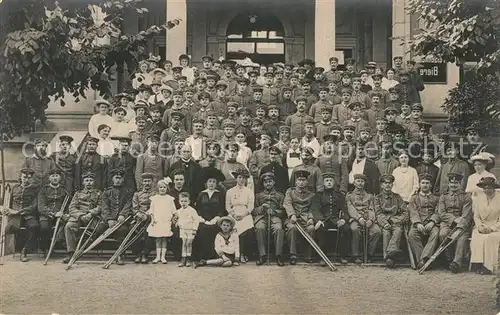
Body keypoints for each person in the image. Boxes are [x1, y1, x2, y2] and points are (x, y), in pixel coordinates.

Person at [94, 169, 133, 265]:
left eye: (120, 178)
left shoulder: (127, 192)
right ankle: (89, 250)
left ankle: (119, 255)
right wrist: (109, 219)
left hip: (121, 220)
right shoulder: (107, 192)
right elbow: (104, 207)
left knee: (122, 231)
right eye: (116, 178)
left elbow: (128, 205)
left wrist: (122, 215)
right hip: (108, 220)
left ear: (123, 179)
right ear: (112, 179)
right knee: (98, 230)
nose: (118, 180)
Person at [437, 173, 473, 273]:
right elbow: (441, 213)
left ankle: (457, 263)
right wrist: (453, 219)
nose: (453, 185)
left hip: (463, 224)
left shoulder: (466, 197)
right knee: (443, 234)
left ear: (460, 184)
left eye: (456, 183)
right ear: (448, 184)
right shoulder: (443, 197)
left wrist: (460, 227)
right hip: (447, 223)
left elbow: (466, 215)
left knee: (461, 238)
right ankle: (449, 259)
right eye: (451, 183)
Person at [62, 172, 102, 263]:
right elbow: (72, 208)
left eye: (91, 180)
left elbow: (100, 206)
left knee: (95, 230)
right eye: (86, 180)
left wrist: (91, 213)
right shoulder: (77, 193)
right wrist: (81, 216)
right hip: (79, 216)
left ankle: (81, 251)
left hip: (92, 217)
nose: (88, 183)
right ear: (83, 182)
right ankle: (71, 252)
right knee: (68, 226)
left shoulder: (99, 193)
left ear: (94, 182)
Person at [2, 168, 39, 262]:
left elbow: (34, 206)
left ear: (31, 179)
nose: (26, 180)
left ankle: (24, 250)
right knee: (10, 228)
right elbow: (8, 203)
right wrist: (6, 209)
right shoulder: (15, 188)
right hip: (14, 215)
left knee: (34, 226)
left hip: (28, 215)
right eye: (24, 177)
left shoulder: (34, 190)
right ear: (20, 177)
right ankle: (16, 248)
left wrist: (20, 211)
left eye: (29, 178)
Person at [283, 169, 319, 264]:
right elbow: (287, 203)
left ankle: (308, 255)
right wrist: (292, 215)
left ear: (307, 181)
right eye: (299, 180)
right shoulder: (290, 192)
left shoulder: (311, 195)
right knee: (292, 228)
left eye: (303, 180)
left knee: (311, 228)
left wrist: (311, 218)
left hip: (305, 218)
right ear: (296, 181)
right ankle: (293, 254)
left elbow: (313, 208)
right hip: (292, 218)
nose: (301, 182)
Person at [314, 172, 349, 265]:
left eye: (330, 180)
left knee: (345, 229)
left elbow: (344, 208)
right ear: (323, 183)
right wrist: (319, 220)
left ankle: (342, 256)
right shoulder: (319, 195)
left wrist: (343, 219)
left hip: (336, 219)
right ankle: (322, 257)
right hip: (324, 219)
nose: (329, 182)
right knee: (321, 229)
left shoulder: (339, 195)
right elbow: (315, 209)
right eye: (326, 181)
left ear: (334, 182)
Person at [346, 173, 381, 264]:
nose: (360, 183)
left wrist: (370, 219)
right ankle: (355, 255)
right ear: (354, 183)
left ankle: (369, 254)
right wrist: (359, 218)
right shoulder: (349, 195)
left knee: (376, 231)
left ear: (364, 183)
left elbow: (372, 208)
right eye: (358, 181)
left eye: (362, 181)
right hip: (355, 219)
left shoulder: (370, 196)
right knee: (354, 229)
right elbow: (351, 208)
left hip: (368, 219)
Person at [408, 173, 440, 269]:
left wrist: (432, 222)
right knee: (411, 235)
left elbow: (438, 211)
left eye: (427, 183)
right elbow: (412, 211)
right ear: (420, 184)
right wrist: (417, 223)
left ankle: (425, 258)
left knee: (435, 233)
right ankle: (422, 260)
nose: (425, 185)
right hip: (418, 223)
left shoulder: (436, 198)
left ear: (431, 185)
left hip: (431, 223)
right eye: (423, 183)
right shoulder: (414, 198)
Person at [193, 167, 227, 261]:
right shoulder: (201, 194)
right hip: (203, 219)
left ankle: (215, 255)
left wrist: (216, 218)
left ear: (216, 184)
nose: (211, 183)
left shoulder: (219, 194)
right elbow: (198, 208)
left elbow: (222, 209)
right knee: (202, 229)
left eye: (213, 182)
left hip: (216, 219)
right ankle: (202, 256)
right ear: (206, 183)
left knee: (215, 229)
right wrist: (202, 219)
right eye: (209, 181)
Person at [252, 172, 286, 266]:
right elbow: (253, 210)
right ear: (263, 184)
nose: (268, 183)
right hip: (261, 217)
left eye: (270, 181)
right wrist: (261, 208)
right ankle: (262, 255)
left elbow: (283, 211)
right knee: (259, 228)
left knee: (279, 229)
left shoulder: (280, 196)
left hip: (274, 217)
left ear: (274, 182)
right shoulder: (258, 196)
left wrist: (275, 212)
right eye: (266, 182)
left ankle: (278, 255)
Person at [374, 174, 408, 268]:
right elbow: (378, 213)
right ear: (381, 185)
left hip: (396, 221)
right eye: (385, 183)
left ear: (392, 185)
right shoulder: (378, 198)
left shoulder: (397, 197)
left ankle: (389, 256)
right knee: (386, 233)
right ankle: (389, 257)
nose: (387, 185)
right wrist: (384, 223)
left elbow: (405, 212)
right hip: (384, 222)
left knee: (398, 231)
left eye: (390, 183)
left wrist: (396, 220)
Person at [470, 177, 500, 274]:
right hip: (482, 226)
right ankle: (478, 264)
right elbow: (476, 216)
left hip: (496, 227)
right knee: (477, 236)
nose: (487, 190)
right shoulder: (479, 199)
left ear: (494, 188)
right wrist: (479, 226)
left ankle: (489, 266)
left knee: (489, 238)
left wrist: (492, 228)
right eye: (485, 188)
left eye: (490, 188)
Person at [37, 168, 69, 255]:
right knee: (44, 227)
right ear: (49, 178)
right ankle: (44, 248)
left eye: (57, 176)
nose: (55, 178)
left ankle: (60, 245)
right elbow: (41, 207)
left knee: (67, 225)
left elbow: (67, 205)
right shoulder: (44, 189)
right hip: (47, 214)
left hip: (61, 214)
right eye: (53, 176)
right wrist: (54, 214)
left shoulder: (64, 190)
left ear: (60, 178)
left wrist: (64, 214)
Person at [226, 168, 255, 263]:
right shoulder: (230, 191)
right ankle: (232, 253)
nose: (241, 180)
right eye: (239, 177)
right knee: (232, 228)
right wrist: (233, 214)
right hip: (233, 212)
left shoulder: (249, 192)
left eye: (244, 178)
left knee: (245, 228)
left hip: (245, 213)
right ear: (236, 178)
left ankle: (242, 253)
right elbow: (227, 206)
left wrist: (243, 215)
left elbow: (251, 206)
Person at [147, 179, 176, 264]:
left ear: (167, 188)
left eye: (164, 187)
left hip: (166, 221)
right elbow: (151, 211)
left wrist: (173, 219)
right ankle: (157, 256)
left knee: (164, 239)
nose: (162, 189)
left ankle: (163, 257)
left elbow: (174, 211)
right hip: (157, 221)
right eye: (160, 187)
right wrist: (152, 220)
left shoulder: (170, 199)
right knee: (158, 239)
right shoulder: (154, 199)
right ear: (158, 188)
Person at [131, 173, 156, 264]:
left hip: (151, 218)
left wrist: (148, 215)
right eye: (145, 181)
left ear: (152, 182)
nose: (147, 183)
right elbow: (134, 208)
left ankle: (145, 254)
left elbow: (156, 207)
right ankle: (137, 254)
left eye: (149, 181)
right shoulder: (137, 194)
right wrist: (138, 214)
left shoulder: (155, 194)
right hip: (139, 218)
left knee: (149, 232)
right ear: (142, 182)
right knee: (133, 230)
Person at [176, 192, 205, 267]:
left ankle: (188, 258)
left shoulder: (192, 210)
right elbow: (178, 219)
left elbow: (196, 220)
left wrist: (194, 229)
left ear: (189, 202)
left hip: (190, 230)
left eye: (185, 201)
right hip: (183, 229)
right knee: (184, 243)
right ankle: (183, 258)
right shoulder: (178, 211)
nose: (183, 203)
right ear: (179, 201)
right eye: (182, 201)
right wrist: (178, 223)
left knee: (189, 243)